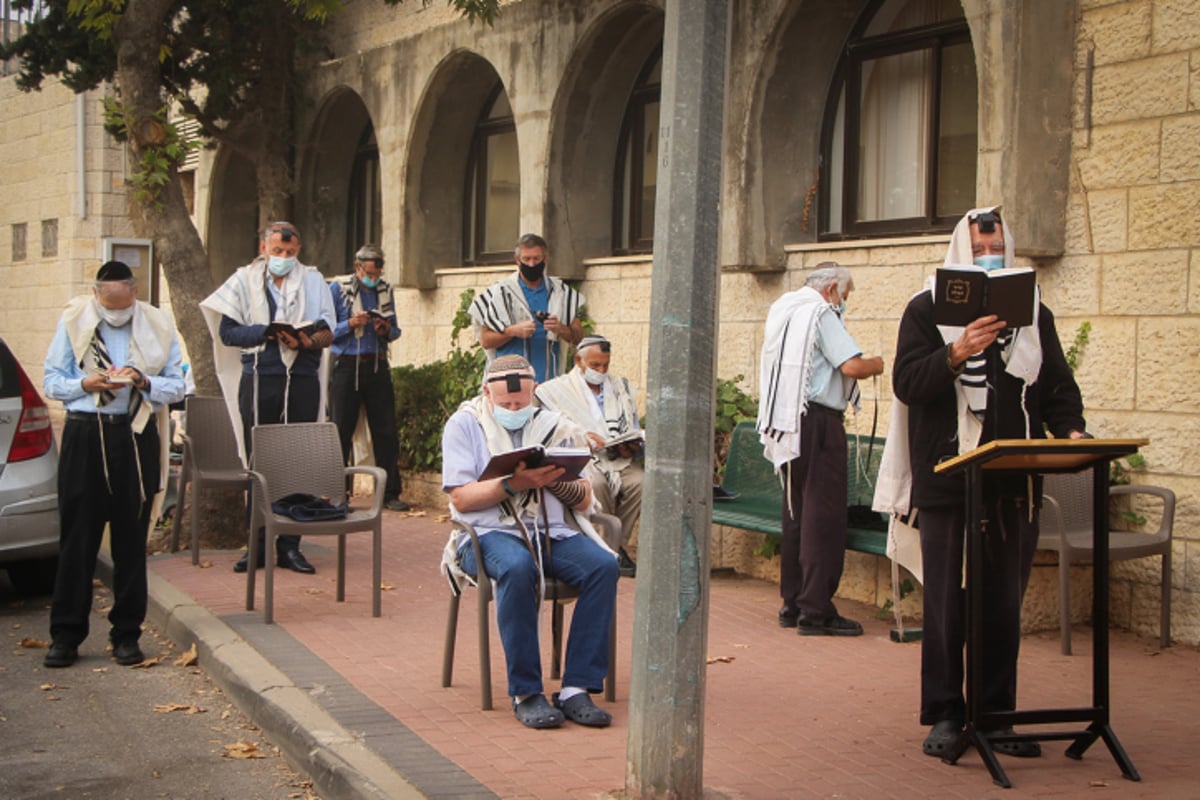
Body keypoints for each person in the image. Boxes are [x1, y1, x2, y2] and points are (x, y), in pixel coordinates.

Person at [878, 206, 1087, 759]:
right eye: (979, 249)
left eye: (996, 248)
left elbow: (1058, 386)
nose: (989, 256)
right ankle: (946, 713)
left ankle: (996, 716)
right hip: (949, 484)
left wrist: (1071, 430)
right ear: (960, 252)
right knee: (948, 606)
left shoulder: (1033, 314)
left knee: (1000, 605)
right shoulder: (926, 309)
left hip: (1012, 485)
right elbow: (906, 383)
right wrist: (957, 351)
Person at [440, 355, 619, 729]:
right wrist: (511, 485)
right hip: (486, 534)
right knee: (518, 567)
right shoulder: (464, 424)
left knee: (604, 566)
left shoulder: (557, 427)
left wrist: (553, 481)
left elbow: (586, 499)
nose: (513, 410)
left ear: (534, 391)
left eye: (520, 404)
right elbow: (460, 500)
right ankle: (527, 692)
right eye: (505, 404)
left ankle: (575, 688)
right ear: (486, 392)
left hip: (551, 532)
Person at [41, 261, 186, 668]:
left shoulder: (157, 324)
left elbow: (178, 383)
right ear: (96, 294)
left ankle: (127, 635)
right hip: (86, 432)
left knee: (130, 539)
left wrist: (143, 380)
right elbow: (51, 380)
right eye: (108, 304)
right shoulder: (74, 320)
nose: (115, 312)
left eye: (123, 305)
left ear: (135, 294)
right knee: (78, 540)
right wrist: (84, 384)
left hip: (134, 432)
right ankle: (65, 636)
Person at [756, 263, 885, 636]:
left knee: (796, 511)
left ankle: (792, 602)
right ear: (831, 289)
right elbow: (853, 366)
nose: (844, 305)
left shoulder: (785, 310)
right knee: (822, 516)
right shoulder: (821, 313)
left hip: (787, 419)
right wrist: (877, 364)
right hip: (819, 422)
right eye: (845, 297)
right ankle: (817, 610)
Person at [200, 221, 335, 575]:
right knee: (260, 461)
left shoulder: (313, 280)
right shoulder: (244, 280)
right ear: (264, 249)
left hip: (303, 376)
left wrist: (304, 340)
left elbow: (328, 331)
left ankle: (290, 546)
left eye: (290, 253)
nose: (284, 258)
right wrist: (266, 331)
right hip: (261, 375)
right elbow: (227, 332)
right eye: (278, 252)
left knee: (299, 461)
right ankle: (256, 545)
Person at [535, 334, 641, 575]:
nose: (601, 370)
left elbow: (631, 426)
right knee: (596, 484)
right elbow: (551, 429)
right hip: (583, 457)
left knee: (640, 482)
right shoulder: (555, 390)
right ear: (579, 361)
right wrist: (583, 437)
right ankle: (600, 548)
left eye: (605, 365)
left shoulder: (620, 387)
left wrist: (630, 445)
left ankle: (616, 543)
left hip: (617, 458)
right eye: (595, 365)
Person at [329, 244, 408, 512]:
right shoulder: (338, 290)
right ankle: (339, 494)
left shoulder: (385, 290)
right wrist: (350, 324)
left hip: (376, 364)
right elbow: (326, 331)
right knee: (341, 430)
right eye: (369, 274)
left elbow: (395, 330)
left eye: (377, 274)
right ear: (357, 267)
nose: (373, 279)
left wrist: (385, 328)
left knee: (385, 430)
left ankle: (389, 493)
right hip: (347, 365)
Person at [468, 233, 585, 382]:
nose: (531, 264)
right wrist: (511, 332)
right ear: (517, 260)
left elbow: (579, 337)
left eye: (536, 259)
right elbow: (485, 340)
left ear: (546, 258)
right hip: (508, 382)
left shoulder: (561, 292)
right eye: (526, 259)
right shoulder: (500, 292)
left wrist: (561, 329)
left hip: (548, 382)